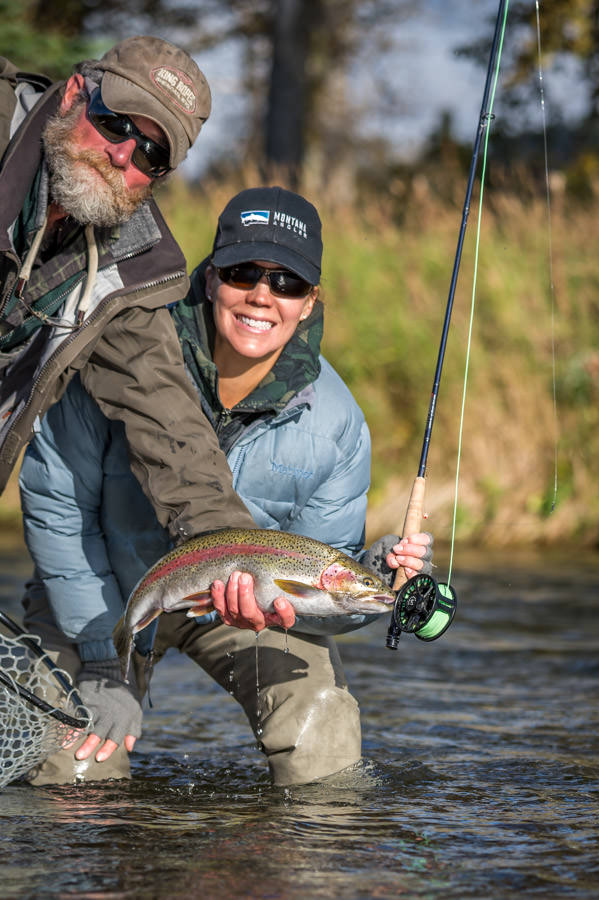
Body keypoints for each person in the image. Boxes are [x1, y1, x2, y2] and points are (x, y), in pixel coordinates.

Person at [19, 187, 433, 786]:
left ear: (310, 303)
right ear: (210, 279)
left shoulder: (336, 425)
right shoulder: (122, 355)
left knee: (325, 742)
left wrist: (378, 573)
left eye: (287, 283)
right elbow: (57, 511)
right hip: (105, 592)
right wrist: (106, 661)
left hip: (250, 613)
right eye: (244, 273)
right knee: (73, 775)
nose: (262, 296)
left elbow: (325, 593)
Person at [0, 36, 256, 555]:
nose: (121, 154)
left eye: (151, 152)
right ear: (74, 94)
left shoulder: (134, 269)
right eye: (116, 123)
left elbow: (170, 426)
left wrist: (227, 554)